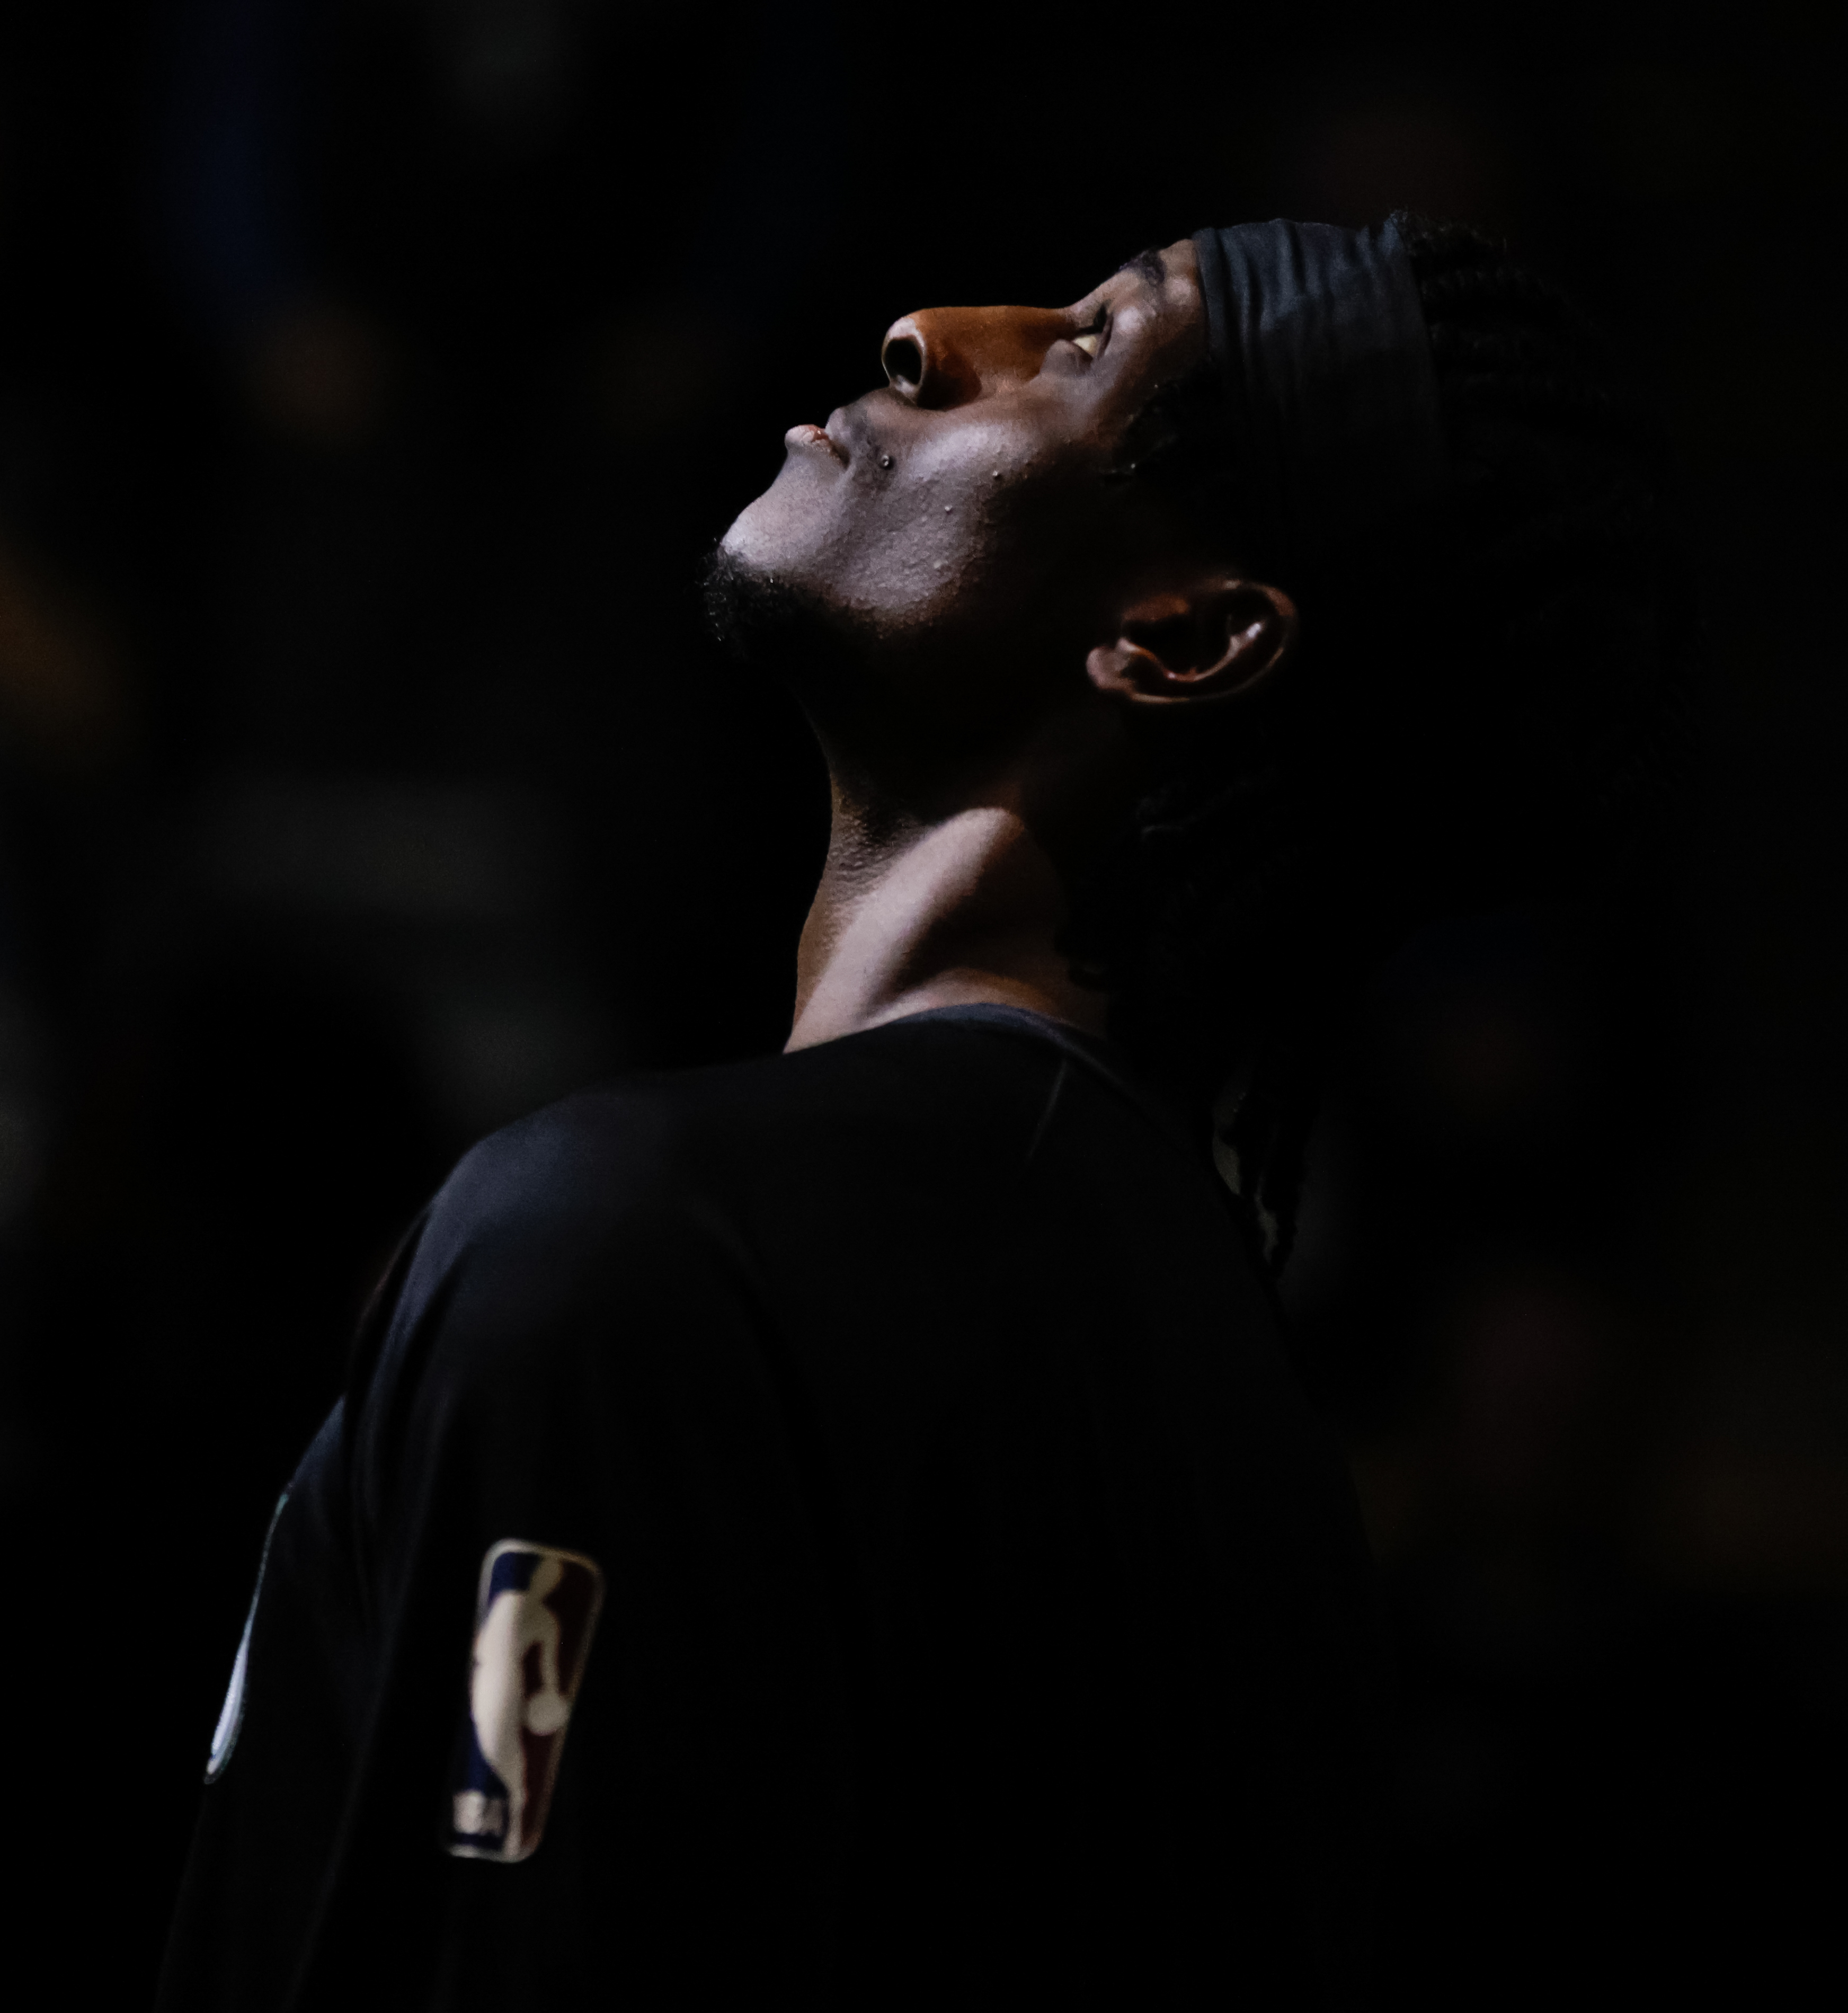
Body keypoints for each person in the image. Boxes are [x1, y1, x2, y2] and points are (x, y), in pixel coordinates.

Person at [158, 213, 1678, 2008]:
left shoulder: (628, 1250)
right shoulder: (1262, 1466)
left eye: (1090, 348)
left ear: (1182, 637)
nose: (929, 330)